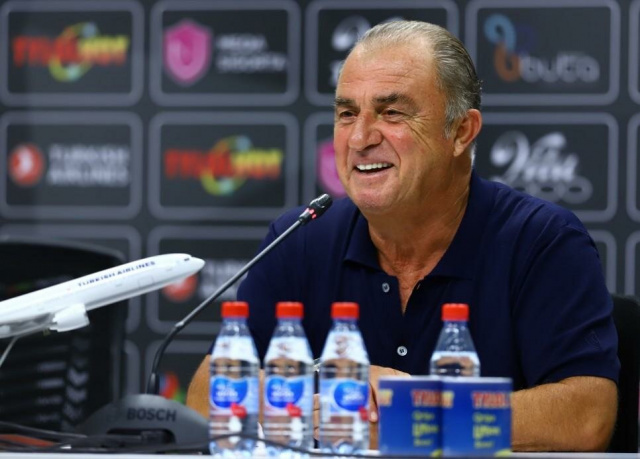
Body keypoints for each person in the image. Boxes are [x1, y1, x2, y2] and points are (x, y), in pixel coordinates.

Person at [186, 20, 619, 451]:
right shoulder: (299, 238)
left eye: (391, 112)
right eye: (347, 114)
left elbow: (586, 417)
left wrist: (412, 415)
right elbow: (205, 396)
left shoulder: (542, 240)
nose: (360, 138)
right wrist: (334, 391)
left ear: (461, 131)